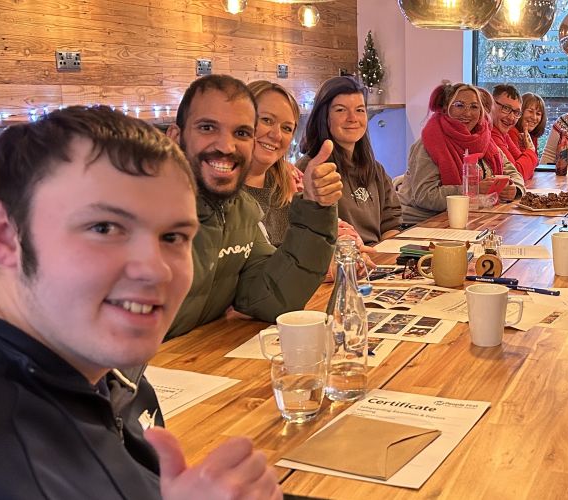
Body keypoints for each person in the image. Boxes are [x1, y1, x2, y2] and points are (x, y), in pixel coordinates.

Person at [0, 106, 280, 499]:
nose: (156, 271)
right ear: (5, 234)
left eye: (174, 237)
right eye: (104, 228)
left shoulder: (90, 358)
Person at [165, 74, 343, 338]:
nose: (226, 146)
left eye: (241, 132)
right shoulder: (140, 210)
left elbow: (271, 297)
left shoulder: (241, 211)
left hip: (186, 364)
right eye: (207, 128)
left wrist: (315, 208)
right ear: (175, 137)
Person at [398, 82, 525, 225]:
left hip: (471, 219)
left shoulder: (485, 140)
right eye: (459, 105)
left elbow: (514, 174)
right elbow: (425, 196)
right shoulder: (429, 143)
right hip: (422, 224)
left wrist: (515, 190)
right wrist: (471, 190)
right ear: (446, 108)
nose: (467, 113)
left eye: (474, 107)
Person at [298, 76, 402, 245]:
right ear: (324, 117)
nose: (352, 118)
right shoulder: (311, 169)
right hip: (341, 262)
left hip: (376, 262)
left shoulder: (376, 169)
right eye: (341, 110)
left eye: (360, 110)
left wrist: (384, 255)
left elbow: (391, 220)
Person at [243, 80, 300, 246]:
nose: (277, 135)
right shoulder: (215, 191)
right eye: (267, 120)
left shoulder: (288, 184)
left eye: (287, 128)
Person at [489, 84, 539, 180]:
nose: (511, 118)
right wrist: (530, 150)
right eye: (506, 108)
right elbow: (517, 174)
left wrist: (527, 152)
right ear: (491, 105)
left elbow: (528, 171)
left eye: (516, 112)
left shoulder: (504, 134)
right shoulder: (490, 133)